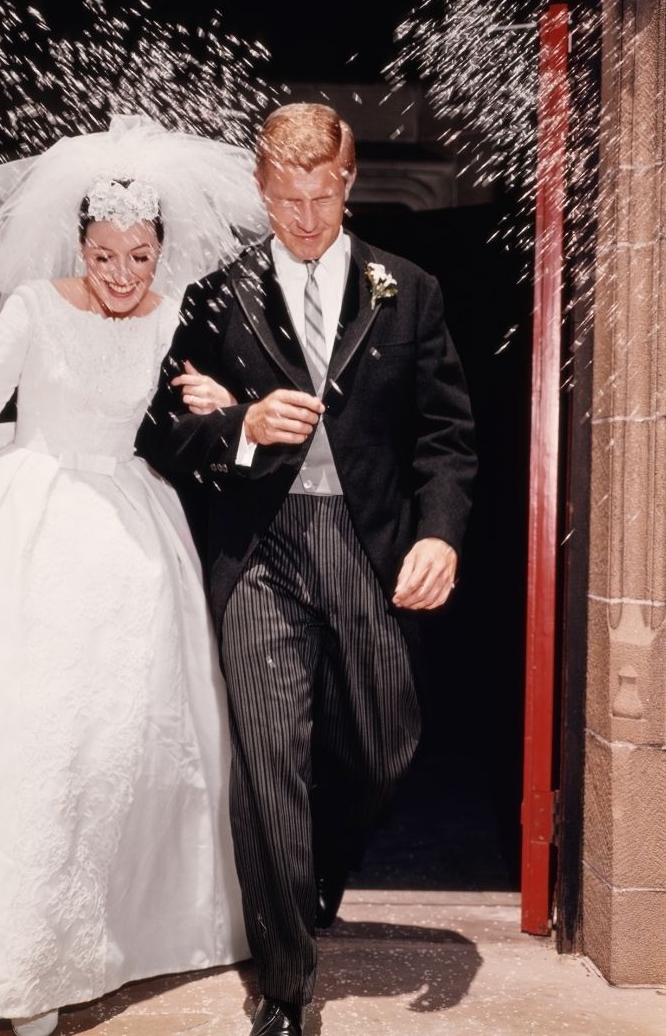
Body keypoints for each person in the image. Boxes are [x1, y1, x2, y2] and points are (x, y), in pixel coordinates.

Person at [0, 116, 261, 1036]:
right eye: (105, 255)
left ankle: (104, 927)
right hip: (31, 523)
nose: (121, 275)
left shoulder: (174, 304)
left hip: (131, 542)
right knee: (28, 741)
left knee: (116, 746)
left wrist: (232, 404)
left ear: (161, 251)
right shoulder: (32, 305)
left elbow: (212, 398)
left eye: (139, 256)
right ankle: (13, 960)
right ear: (80, 245)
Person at [136, 103, 476, 1036]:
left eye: (320, 198)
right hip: (258, 554)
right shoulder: (212, 294)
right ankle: (284, 987)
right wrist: (239, 427)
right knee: (267, 761)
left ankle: (315, 866)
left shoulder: (408, 289)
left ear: (349, 183)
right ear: (261, 190)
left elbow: (448, 439)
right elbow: (159, 431)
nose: (304, 218)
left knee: (385, 742)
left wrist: (438, 534)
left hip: (368, 549)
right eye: (285, 200)